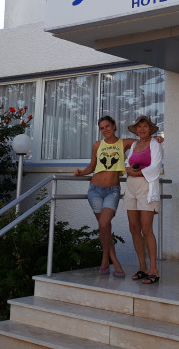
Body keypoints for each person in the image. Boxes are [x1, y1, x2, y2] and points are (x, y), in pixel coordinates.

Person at [74, 115, 135, 278]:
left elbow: (143, 142)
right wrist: (81, 172)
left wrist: (157, 139)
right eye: (102, 128)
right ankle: (114, 261)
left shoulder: (123, 143)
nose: (105, 129)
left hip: (112, 191)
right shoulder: (97, 145)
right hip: (94, 190)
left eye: (107, 126)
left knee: (104, 223)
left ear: (114, 126)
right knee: (104, 227)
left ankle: (105, 258)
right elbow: (92, 166)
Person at [123, 115, 163, 285]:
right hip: (131, 187)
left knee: (147, 229)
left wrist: (136, 172)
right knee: (134, 228)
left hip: (146, 187)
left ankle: (154, 269)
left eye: (145, 126)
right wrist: (129, 170)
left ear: (150, 129)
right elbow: (127, 163)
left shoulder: (155, 144)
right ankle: (143, 267)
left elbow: (156, 167)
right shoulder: (134, 145)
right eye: (139, 126)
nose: (142, 129)